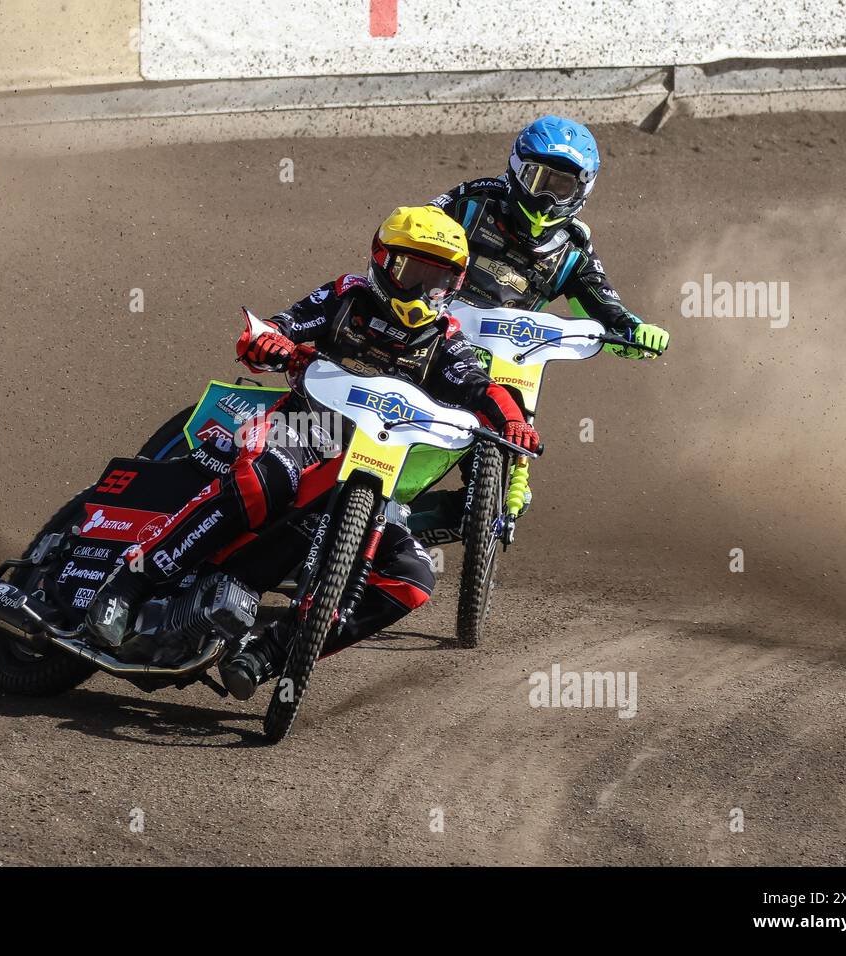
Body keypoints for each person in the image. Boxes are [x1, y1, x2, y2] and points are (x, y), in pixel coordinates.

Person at [84, 206, 540, 700]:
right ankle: (128, 584)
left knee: (414, 576)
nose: (423, 289)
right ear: (384, 262)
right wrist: (273, 345)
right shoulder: (347, 297)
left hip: (375, 466)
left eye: (438, 278)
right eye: (414, 272)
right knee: (267, 479)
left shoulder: (445, 340)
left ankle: (269, 653)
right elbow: (276, 327)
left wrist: (514, 420)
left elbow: (481, 389)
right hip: (302, 426)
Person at [419, 114, 670, 524]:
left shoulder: (573, 249)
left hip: (504, 359)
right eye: (539, 180)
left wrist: (633, 328)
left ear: (581, 191)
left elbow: (601, 299)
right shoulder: (471, 203)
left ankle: (496, 483)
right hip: (431, 328)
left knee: (508, 496)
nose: (547, 198)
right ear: (518, 172)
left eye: (562, 186)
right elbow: (415, 233)